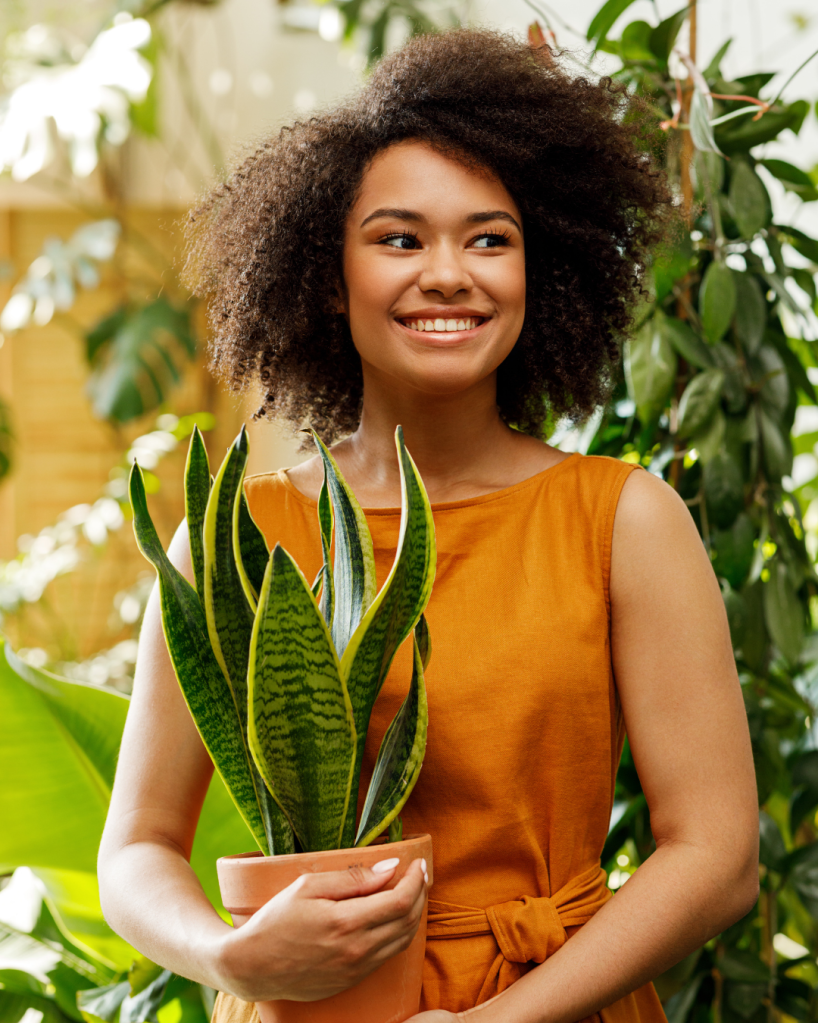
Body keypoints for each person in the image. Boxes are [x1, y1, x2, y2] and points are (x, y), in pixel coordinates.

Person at [97, 28, 759, 1023]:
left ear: (540, 270)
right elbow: (136, 848)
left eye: (488, 239)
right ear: (328, 275)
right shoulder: (237, 542)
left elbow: (715, 859)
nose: (448, 274)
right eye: (399, 239)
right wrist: (232, 956)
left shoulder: (621, 519)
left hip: (553, 1004)